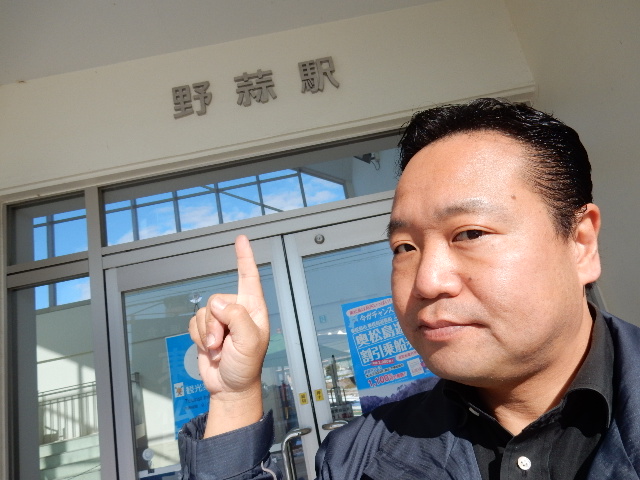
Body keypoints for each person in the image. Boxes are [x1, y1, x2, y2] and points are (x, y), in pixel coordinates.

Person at [179, 98, 640, 479]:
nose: (426, 281)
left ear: (580, 244)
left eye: (470, 233)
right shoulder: (353, 460)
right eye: (404, 247)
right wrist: (234, 398)